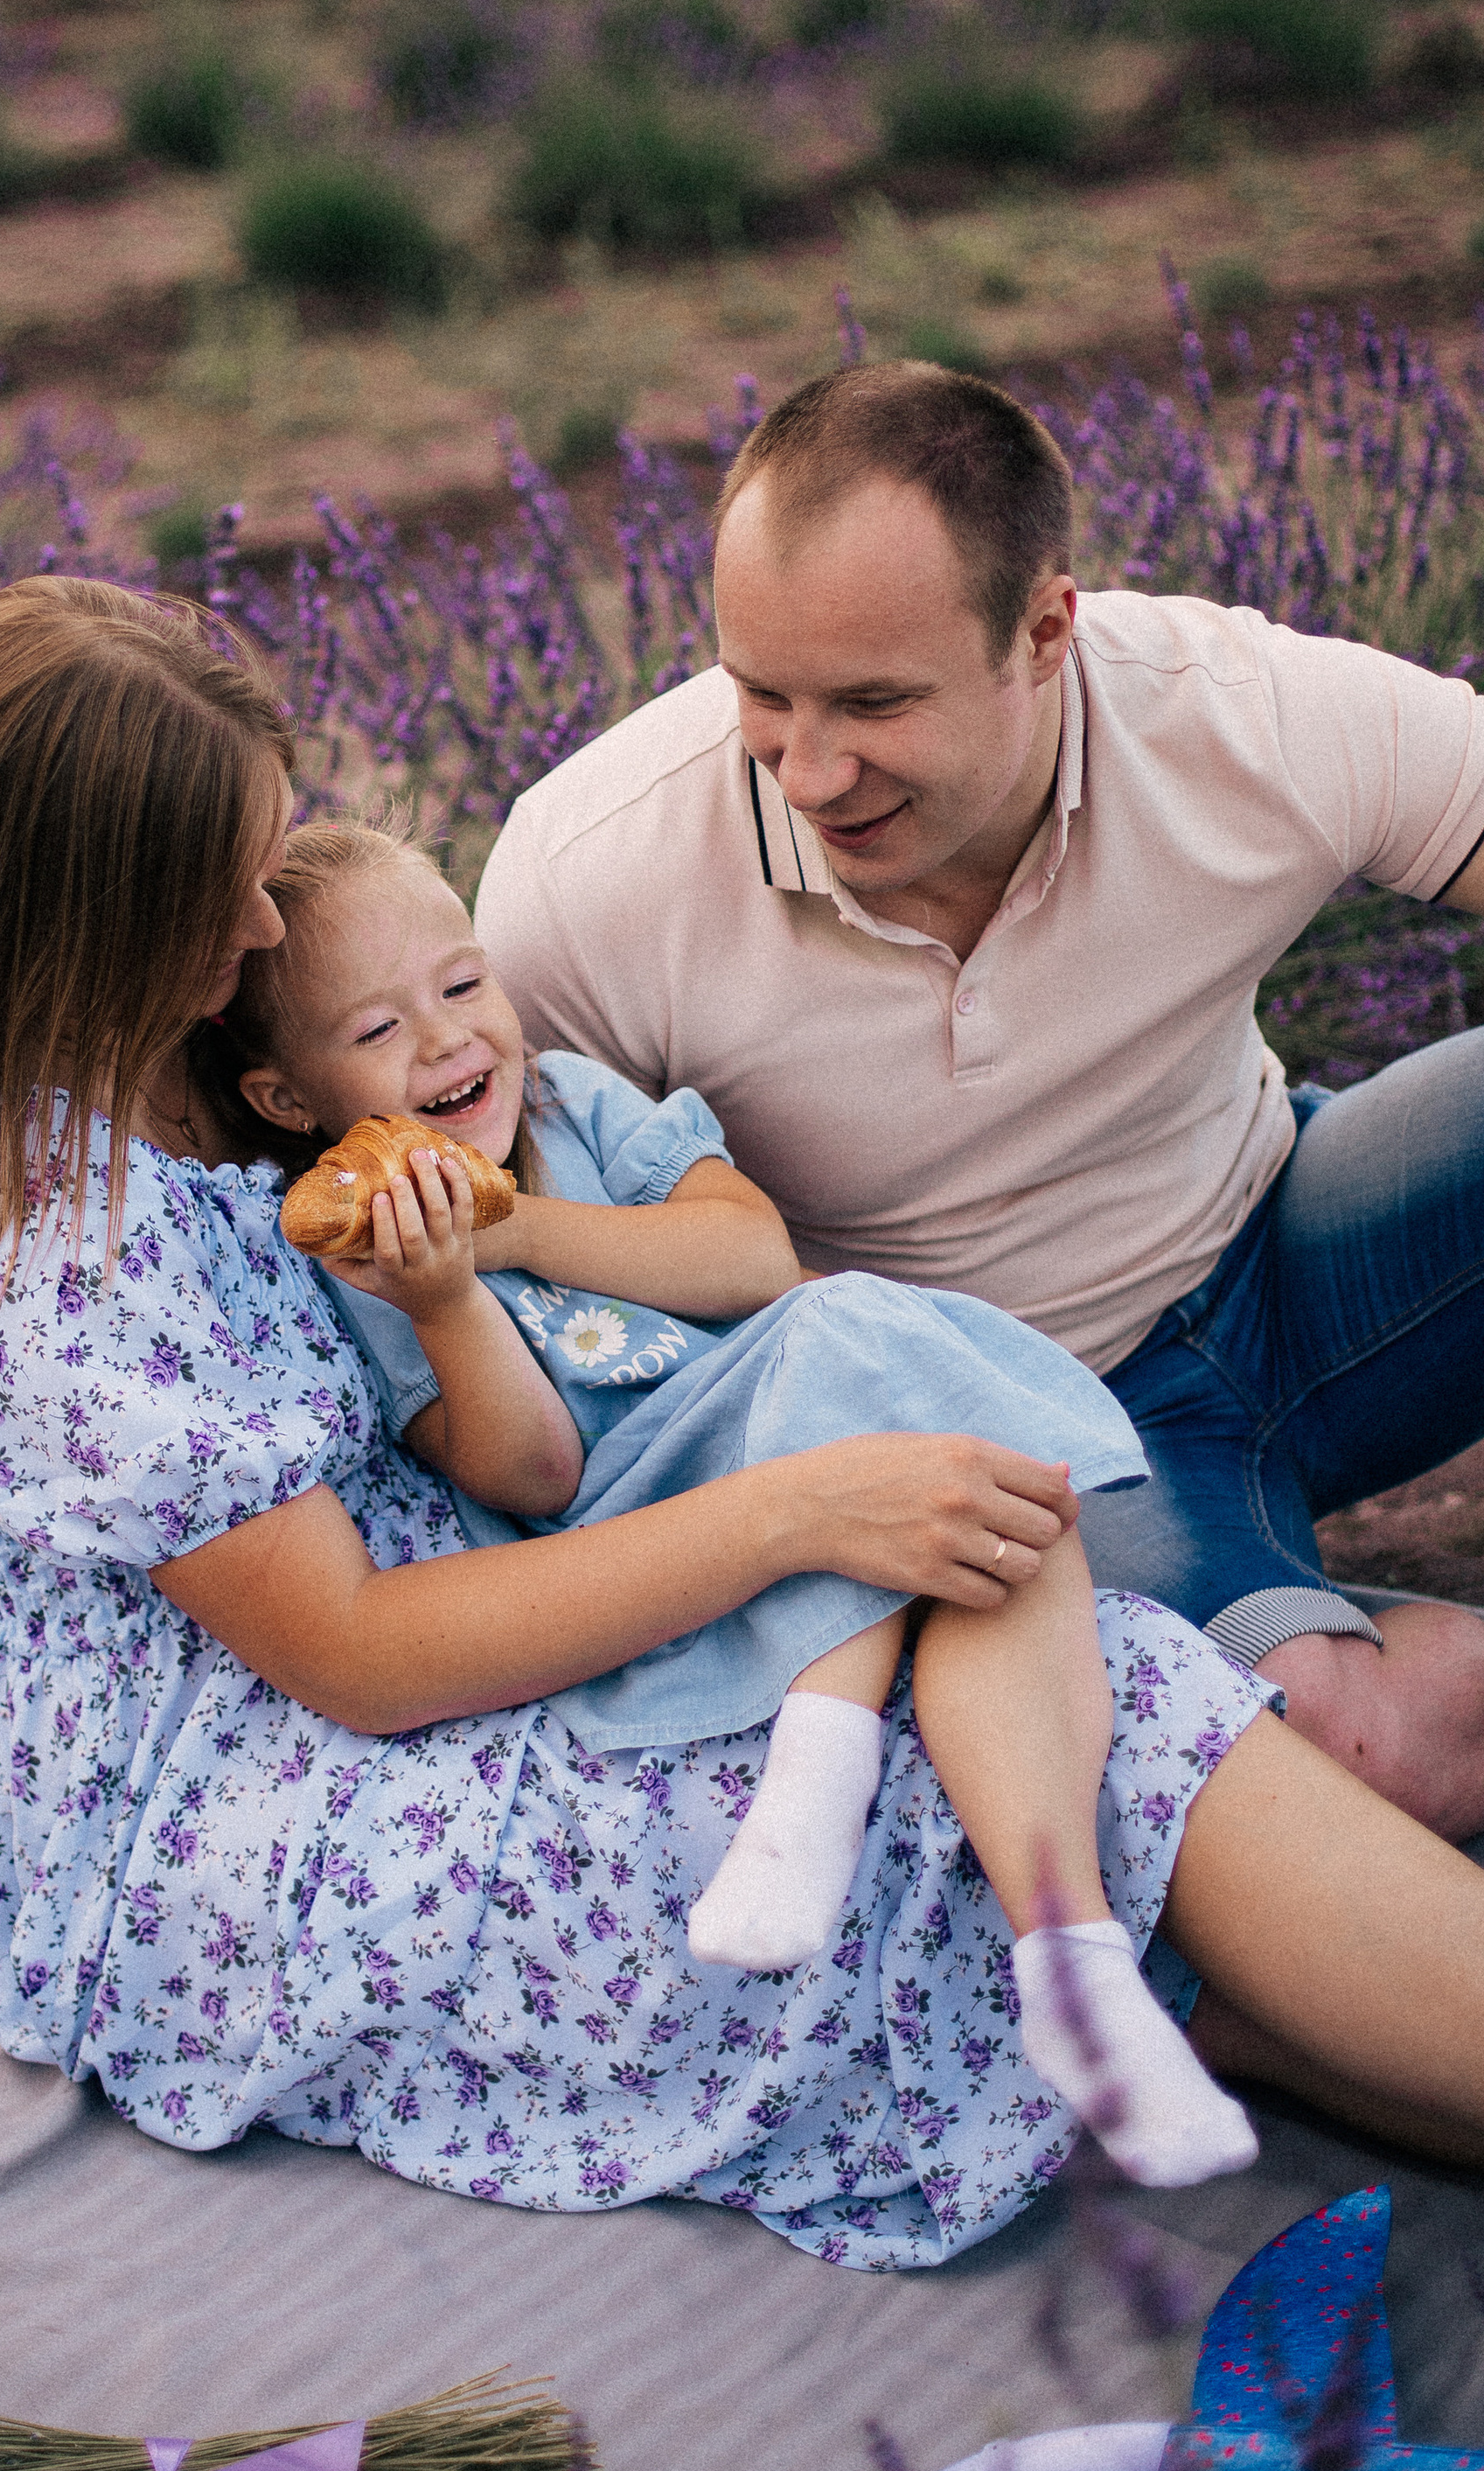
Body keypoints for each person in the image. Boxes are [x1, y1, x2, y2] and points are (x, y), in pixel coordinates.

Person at [0, 572, 1484, 2278]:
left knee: (1012, 1679)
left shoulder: (201, 1071)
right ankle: (1479, 2031)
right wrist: (797, 1514)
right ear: (81, 912)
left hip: (510, 1594)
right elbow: (351, 1657)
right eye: (220, 890)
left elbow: (637, 1273)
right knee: (1042, 1729)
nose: (267, 923)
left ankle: (1434, 2028)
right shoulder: (15, 1244)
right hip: (275, 1832)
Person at [476, 360, 1484, 1843]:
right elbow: (523, 1297)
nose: (808, 769)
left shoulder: (1232, 708)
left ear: (1047, 631)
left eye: (875, 701)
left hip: (1314, 1251)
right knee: (1340, 1765)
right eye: (763, 694)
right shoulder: (588, 882)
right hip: (1031, 1448)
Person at [224, 817, 1255, 2188]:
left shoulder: (575, 1109)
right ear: (291, 1101)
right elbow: (538, 1479)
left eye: (464, 985)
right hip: (646, 1542)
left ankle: (1072, 1964)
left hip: (789, 1446)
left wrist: (514, 1226)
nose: (443, 1040)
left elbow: (751, 1257)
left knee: (989, 1508)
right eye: (375, 1028)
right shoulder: (366, 1258)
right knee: (863, 1346)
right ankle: (817, 1785)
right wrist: (451, 1296)